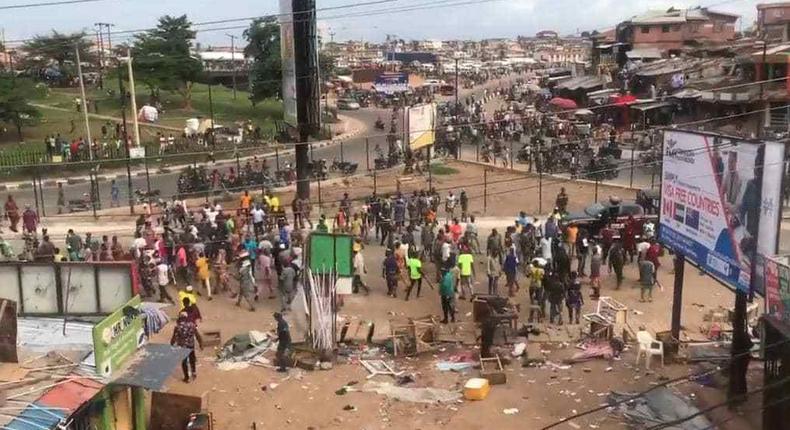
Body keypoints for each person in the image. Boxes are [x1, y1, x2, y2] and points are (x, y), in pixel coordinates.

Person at [170, 311, 203, 382]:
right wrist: (201, 344)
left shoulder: (177, 327)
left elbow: (174, 338)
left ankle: (186, 377)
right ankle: (194, 373)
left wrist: (171, 344)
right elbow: (198, 336)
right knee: (192, 359)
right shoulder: (192, 325)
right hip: (191, 345)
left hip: (182, 347)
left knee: (184, 362)